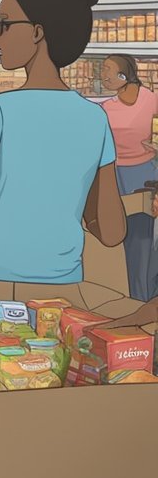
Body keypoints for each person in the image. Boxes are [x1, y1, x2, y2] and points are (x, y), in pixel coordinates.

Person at [0, 0, 126, 283]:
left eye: (2, 24)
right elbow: (112, 231)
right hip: (66, 292)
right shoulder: (95, 118)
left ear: (37, 32)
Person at [100, 53, 158, 300]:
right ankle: (129, 297)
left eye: (106, 70)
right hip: (114, 175)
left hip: (145, 174)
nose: (101, 76)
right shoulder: (105, 108)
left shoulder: (152, 101)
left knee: (143, 240)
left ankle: (143, 297)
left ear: (123, 76)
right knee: (120, 239)